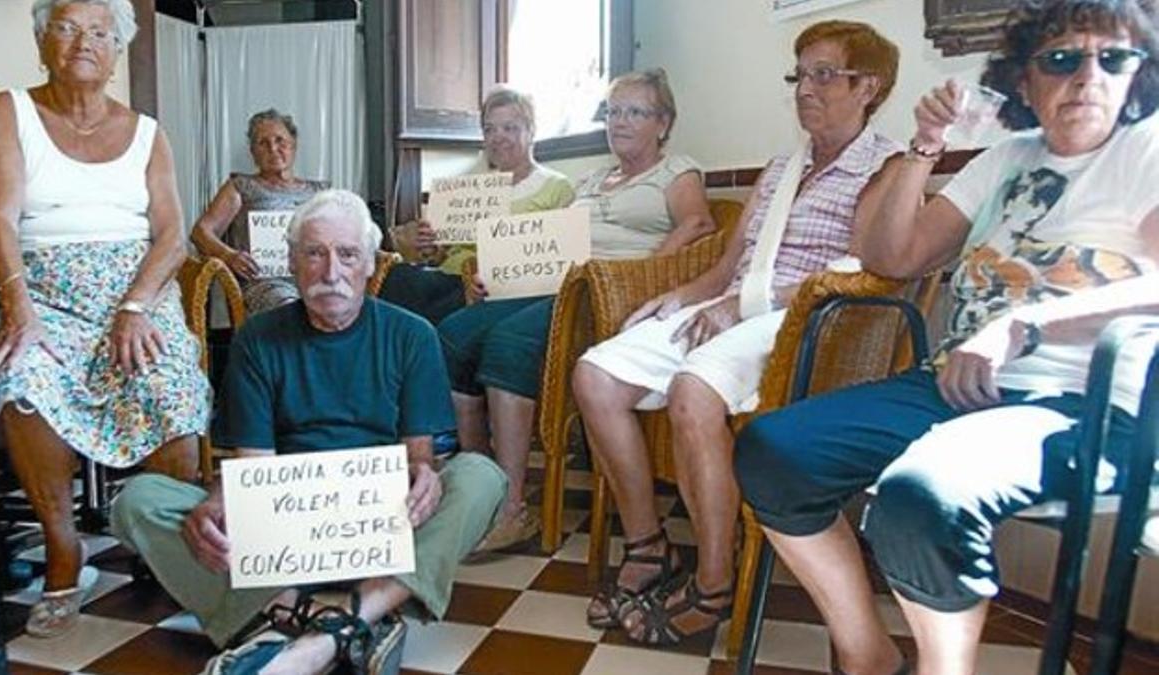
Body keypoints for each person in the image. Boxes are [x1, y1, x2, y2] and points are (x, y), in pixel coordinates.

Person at [734, 2, 1159, 674]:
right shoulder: (1002, 159)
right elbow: (893, 257)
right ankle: (868, 653)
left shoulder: (1148, 148)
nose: (1087, 76)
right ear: (1024, 81)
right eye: (1061, 59)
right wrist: (925, 144)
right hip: (955, 384)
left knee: (920, 496)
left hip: (1082, 400)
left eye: (1113, 59)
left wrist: (1024, 323)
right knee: (774, 449)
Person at [573, 20, 901, 645]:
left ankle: (713, 583)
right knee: (595, 373)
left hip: (810, 320)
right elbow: (728, 267)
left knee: (695, 388)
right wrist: (679, 297)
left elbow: (866, 267)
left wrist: (742, 304)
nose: (805, 88)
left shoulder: (882, 167)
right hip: (737, 304)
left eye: (823, 74)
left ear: (869, 87)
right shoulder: (783, 167)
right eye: (799, 74)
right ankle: (647, 545)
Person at [111, 190, 507, 675]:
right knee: (139, 500)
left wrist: (428, 479)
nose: (331, 272)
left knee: (481, 476)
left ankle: (316, 631)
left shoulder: (412, 335)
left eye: (347, 255)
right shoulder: (258, 338)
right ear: (293, 263)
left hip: (377, 533)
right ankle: (331, 617)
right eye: (315, 254)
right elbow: (251, 464)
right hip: (284, 538)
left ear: (368, 265)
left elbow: (416, 459)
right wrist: (220, 502)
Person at [0, 0, 209, 638]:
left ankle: (159, 539)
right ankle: (62, 549)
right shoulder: (8, 110)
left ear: (117, 52)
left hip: (134, 293)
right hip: (42, 292)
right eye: (66, 27)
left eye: (101, 32)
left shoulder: (146, 131)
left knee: (171, 384)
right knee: (23, 380)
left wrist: (136, 305)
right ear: (43, 41)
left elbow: (172, 235)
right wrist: (18, 307)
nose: (84, 41)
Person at [439, 69, 716, 554]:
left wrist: (643, 276)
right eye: (613, 112)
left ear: (663, 123)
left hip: (615, 295)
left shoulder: (677, 171)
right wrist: (498, 272)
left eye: (635, 112)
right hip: (560, 286)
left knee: (508, 345)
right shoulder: (590, 180)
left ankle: (512, 512)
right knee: (453, 335)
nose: (620, 122)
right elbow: (543, 245)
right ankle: (482, 490)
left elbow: (699, 224)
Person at [380, 86, 576, 324]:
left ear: (531, 131)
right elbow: (439, 256)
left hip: (494, 290)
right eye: (489, 129)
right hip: (447, 278)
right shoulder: (470, 188)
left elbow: (556, 262)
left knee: (412, 295)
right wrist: (431, 247)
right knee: (396, 276)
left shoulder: (557, 187)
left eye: (510, 128)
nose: (497, 137)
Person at [191, 108, 330, 315]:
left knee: (341, 299)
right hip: (265, 283)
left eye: (280, 140)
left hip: (314, 277)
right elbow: (201, 233)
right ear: (253, 153)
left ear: (293, 145)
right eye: (263, 143)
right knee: (288, 306)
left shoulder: (320, 192)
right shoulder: (241, 186)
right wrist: (229, 255)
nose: (273, 148)